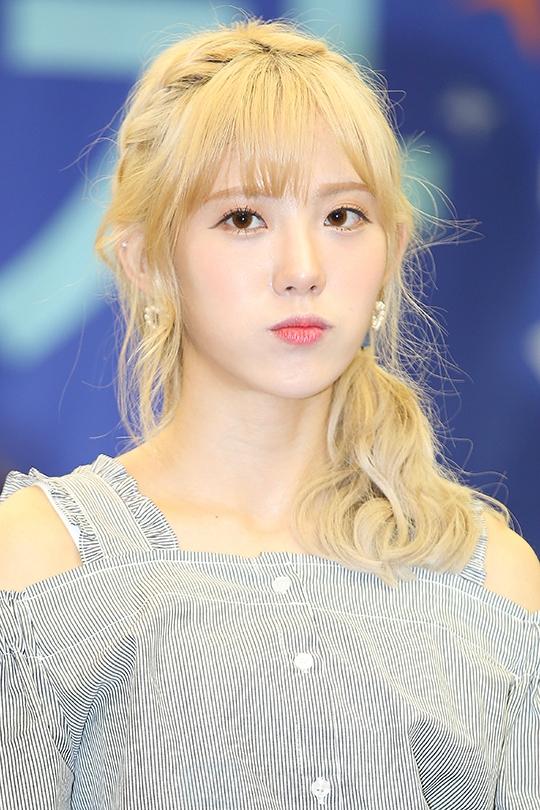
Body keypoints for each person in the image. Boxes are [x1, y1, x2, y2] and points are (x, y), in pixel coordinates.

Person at [0, 15, 538, 810]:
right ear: (146, 260)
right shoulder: (42, 562)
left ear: (392, 250)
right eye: (244, 218)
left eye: (342, 217)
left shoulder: (495, 583)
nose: (303, 269)